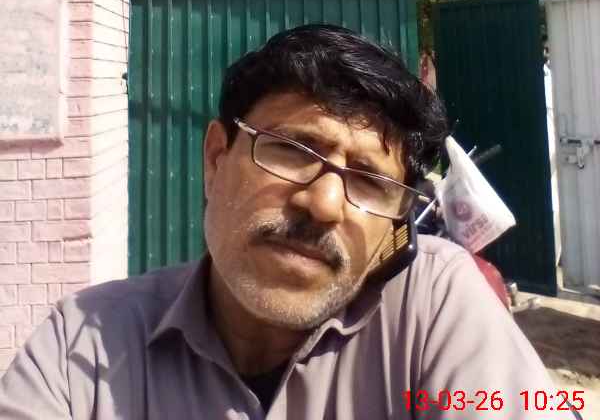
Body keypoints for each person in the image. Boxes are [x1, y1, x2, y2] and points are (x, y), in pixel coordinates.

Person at [0, 25, 576, 419]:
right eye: (293, 151)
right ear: (216, 159)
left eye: (369, 181)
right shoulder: (81, 347)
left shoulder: (435, 304)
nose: (323, 203)